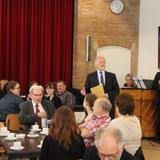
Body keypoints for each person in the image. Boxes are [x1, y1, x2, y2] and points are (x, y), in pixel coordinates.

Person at [109, 93, 143, 159]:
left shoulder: (115, 123)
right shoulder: (136, 119)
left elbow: (108, 142)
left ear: (118, 107)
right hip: (137, 155)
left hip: (122, 156)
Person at [152, 71, 160, 139]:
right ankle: (158, 135)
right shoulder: (158, 74)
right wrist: (159, 85)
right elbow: (153, 85)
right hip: (159, 100)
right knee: (158, 117)